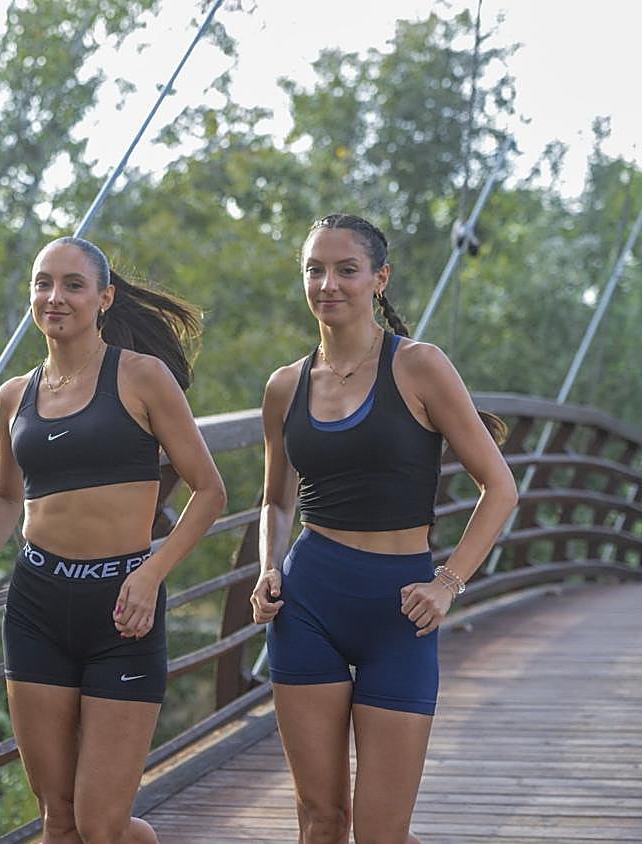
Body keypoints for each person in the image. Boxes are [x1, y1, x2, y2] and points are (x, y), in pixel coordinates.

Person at [0, 236, 226, 844]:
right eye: (43, 284)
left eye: (73, 285)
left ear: (105, 298)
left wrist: (151, 573)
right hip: (36, 609)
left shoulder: (142, 377)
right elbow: (7, 495)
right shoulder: (13, 396)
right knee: (59, 821)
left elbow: (209, 492)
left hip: (123, 610)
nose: (56, 297)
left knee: (102, 825)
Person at [250, 213, 518, 844]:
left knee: (381, 832)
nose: (328, 284)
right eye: (315, 270)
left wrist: (448, 583)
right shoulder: (284, 386)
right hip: (307, 605)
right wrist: (267, 566)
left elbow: (500, 487)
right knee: (321, 821)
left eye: (346, 269)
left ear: (380, 278)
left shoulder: (420, 367)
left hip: (401, 613)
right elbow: (277, 502)